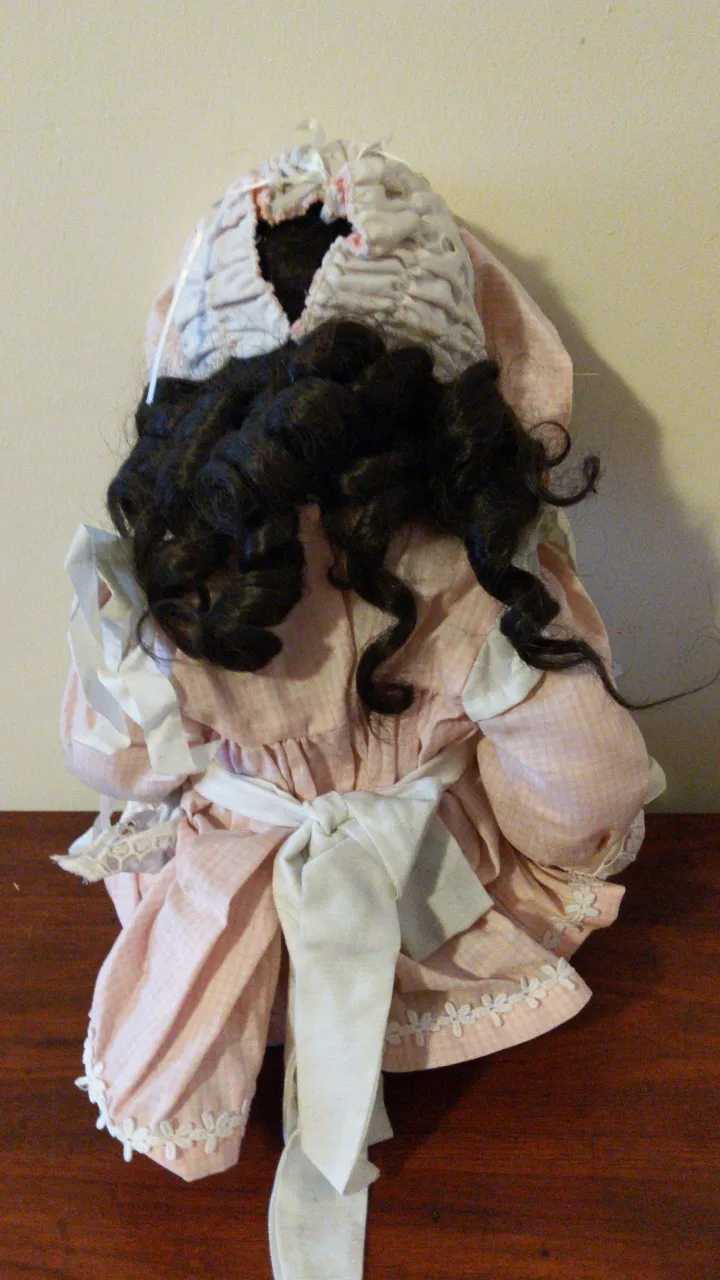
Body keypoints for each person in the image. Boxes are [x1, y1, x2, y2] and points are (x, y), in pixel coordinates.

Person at [56, 131, 666, 1280]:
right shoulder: (483, 583)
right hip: (426, 908)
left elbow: (111, 758)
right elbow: (586, 781)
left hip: (238, 899)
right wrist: (534, 831)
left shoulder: (172, 582)